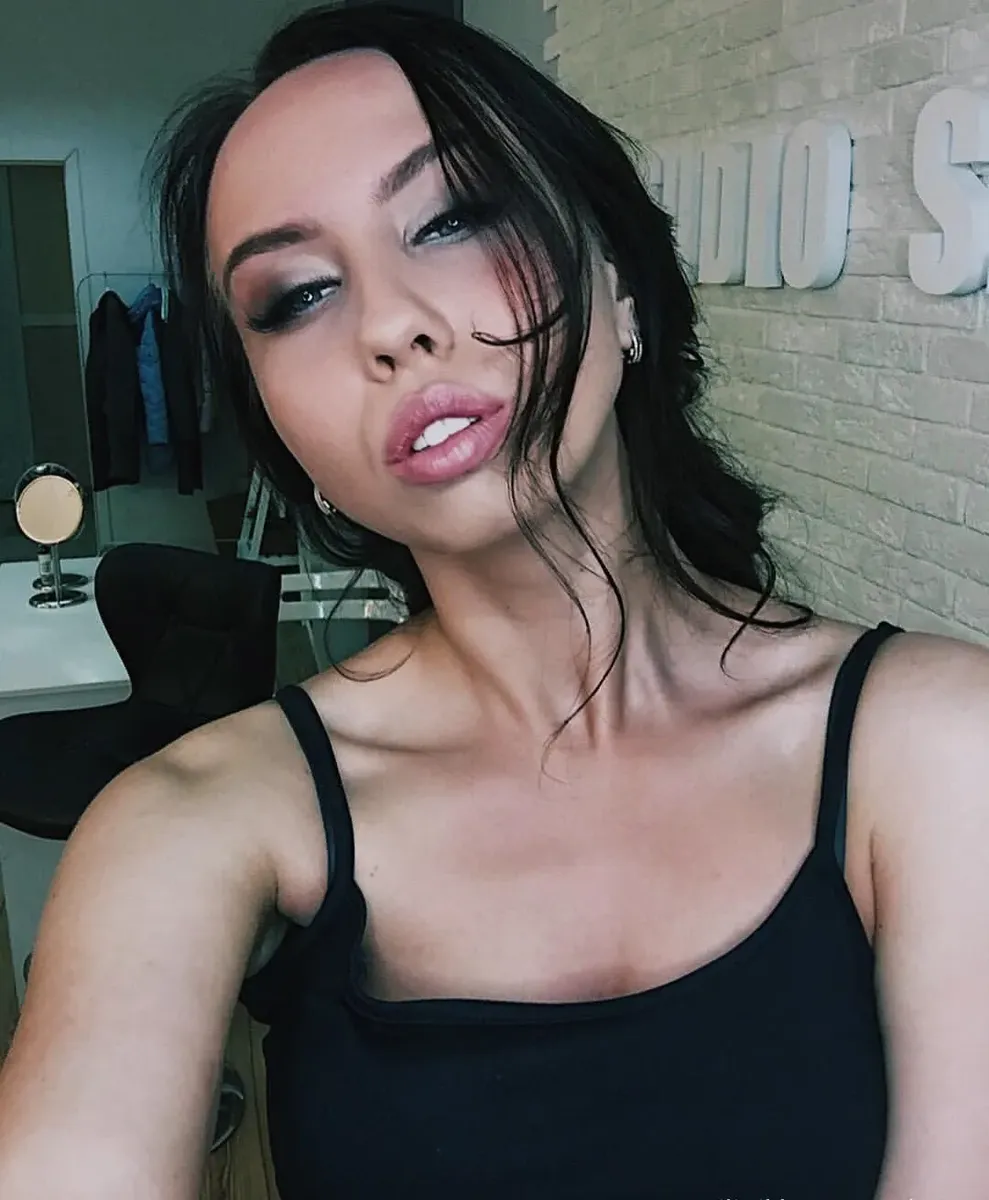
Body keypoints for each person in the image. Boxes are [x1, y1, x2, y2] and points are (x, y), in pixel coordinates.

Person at [0, 5, 987, 1198]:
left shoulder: (939, 742)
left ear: (619, 283)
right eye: (297, 296)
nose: (390, 325)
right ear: (285, 434)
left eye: (455, 217)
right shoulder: (190, 822)